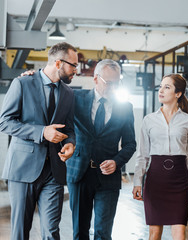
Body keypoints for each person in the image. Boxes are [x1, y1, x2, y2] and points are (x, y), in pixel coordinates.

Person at [0, 42, 77, 240]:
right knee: (21, 231)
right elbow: (4, 123)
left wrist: (71, 144)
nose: (76, 70)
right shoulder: (22, 83)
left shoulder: (68, 93)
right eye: (73, 65)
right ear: (58, 63)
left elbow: (69, 128)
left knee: (52, 232)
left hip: (54, 172)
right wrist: (42, 132)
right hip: (23, 170)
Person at [66, 59, 136, 240]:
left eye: (117, 83)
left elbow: (130, 144)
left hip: (108, 178)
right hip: (80, 174)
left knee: (103, 233)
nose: (114, 88)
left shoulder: (125, 108)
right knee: (80, 231)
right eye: (109, 83)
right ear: (96, 79)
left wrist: (117, 162)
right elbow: (51, 87)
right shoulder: (75, 98)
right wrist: (31, 76)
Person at [132, 74, 188, 240]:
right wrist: (137, 182)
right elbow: (142, 155)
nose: (161, 90)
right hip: (155, 181)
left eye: (167, 87)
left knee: (180, 233)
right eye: (161, 86)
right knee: (154, 234)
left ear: (178, 93)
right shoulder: (149, 120)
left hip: (180, 181)